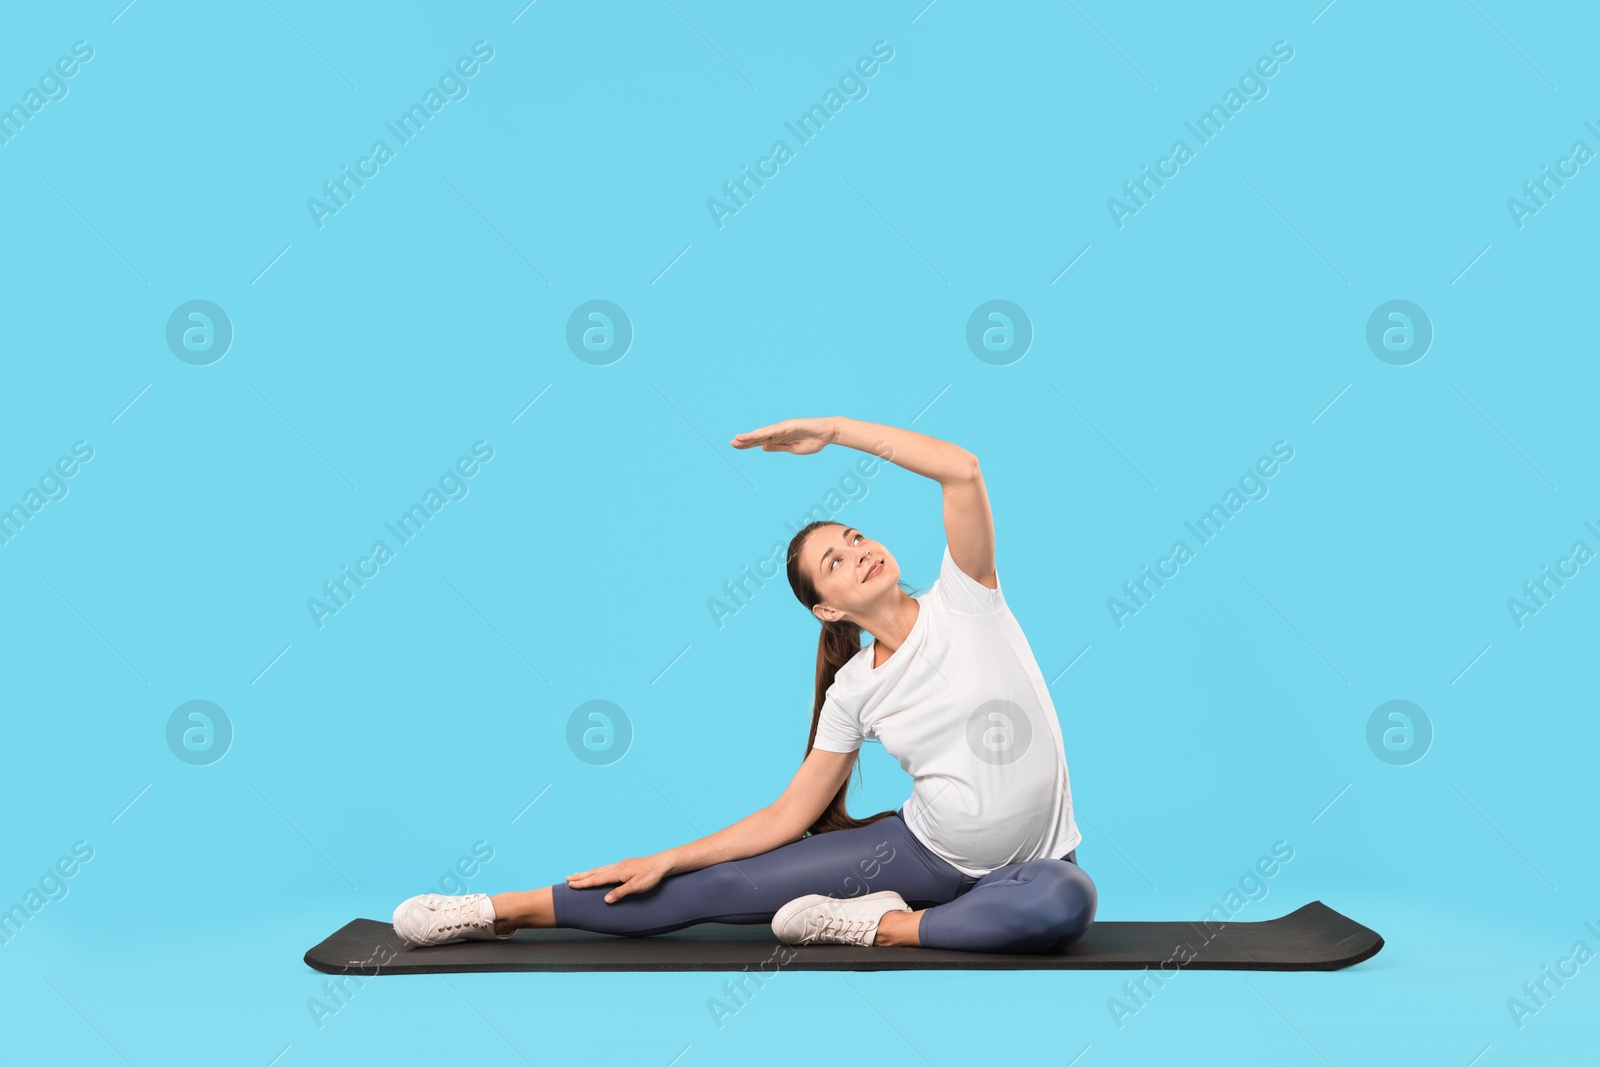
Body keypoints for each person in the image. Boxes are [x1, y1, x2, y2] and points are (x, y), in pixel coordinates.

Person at [391, 416, 1096, 953]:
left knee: (1066, 901)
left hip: (1034, 866)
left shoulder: (967, 598)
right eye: (835, 560)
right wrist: (669, 856)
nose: (858, 552)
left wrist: (833, 431)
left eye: (854, 537)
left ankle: (880, 924)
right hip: (922, 854)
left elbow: (961, 469)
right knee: (723, 888)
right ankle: (493, 909)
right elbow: (789, 815)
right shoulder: (854, 687)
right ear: (828, 608)